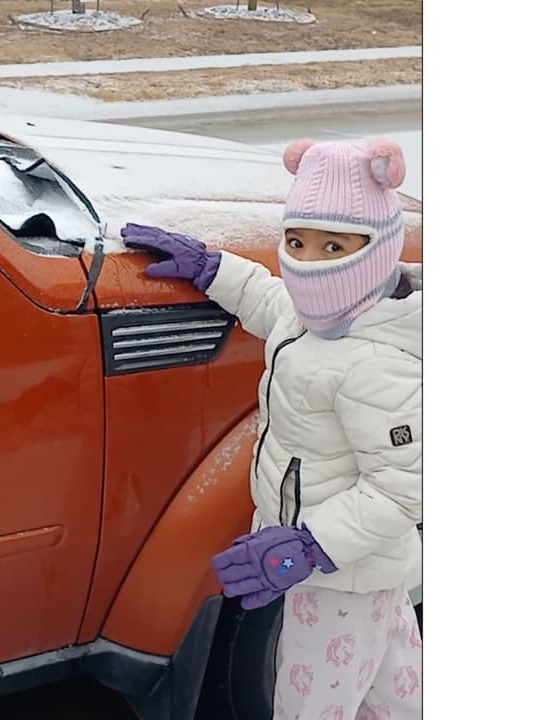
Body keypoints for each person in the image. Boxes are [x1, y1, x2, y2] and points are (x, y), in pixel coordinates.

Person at [121, 138, 422, 720]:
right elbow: (269, 299)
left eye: (334, 246)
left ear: (379, 249)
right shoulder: (324, 314)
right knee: (394, 684)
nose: (309, 263)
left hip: (339, 575)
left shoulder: (377, 363)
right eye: (296, 242)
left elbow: (402, 487)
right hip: (363, 567)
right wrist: (211, 268)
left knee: (311, 698)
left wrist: (310, 545)